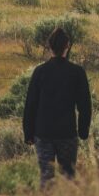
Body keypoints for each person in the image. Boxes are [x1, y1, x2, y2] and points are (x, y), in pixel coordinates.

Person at [23, 27, 92, 187]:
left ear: (49, 47)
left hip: (43, 132)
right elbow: (85, 105)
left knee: (46, 178)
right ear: (67, 46)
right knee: (68, 177)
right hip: (67, 132)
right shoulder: (77, 72)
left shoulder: (40, 72)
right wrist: (83, 131)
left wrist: (28, 133)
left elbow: (31, 104)